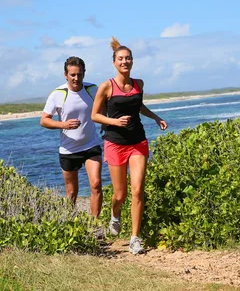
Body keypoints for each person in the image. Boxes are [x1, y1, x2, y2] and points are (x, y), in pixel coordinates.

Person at [91, 37, 168, 254]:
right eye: (121, 59)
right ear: (114, 62)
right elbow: (95, 115)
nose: (125, 62)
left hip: (138, 141)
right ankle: (115, 215)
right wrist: (114, 121)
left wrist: (155, 117)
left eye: (128, 58)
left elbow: (138, 105)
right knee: (120, 194)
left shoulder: (139, 84)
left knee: (137, 190)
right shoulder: (107, 86)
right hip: (115, 143)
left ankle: (135, 238)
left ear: (132, 61)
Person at [40, 56, 103, 218]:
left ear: (84, 73)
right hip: (69, 150)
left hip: (91, 145)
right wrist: (63, 125)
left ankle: (95, 225)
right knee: (72, 191)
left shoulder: (92, 89)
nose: (76, 78)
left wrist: (106, 122)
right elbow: (44, 120)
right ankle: (69, 223)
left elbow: (104, 107)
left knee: (96, 185)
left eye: (79, 74)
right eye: (72, 75)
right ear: (65, 75)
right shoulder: (58, 94)